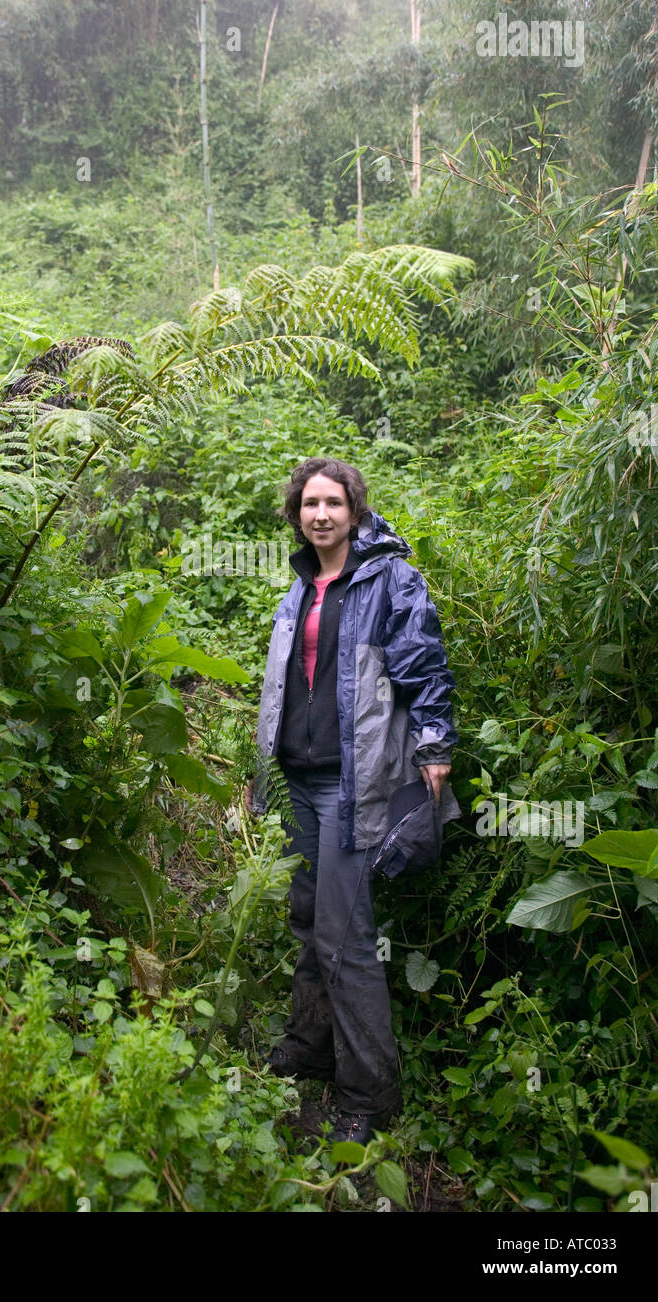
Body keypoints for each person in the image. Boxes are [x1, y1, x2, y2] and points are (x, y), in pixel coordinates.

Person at [246, 457, 461, 1145]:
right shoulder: (301, 586)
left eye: (333, 503)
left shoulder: (389, 578)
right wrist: (259, 770)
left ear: (355, 510)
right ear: (296, 513)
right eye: (310, 503)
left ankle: (369, 1094)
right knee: (308, 918)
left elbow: (424, 664)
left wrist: (434, 745)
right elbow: (288, 687)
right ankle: (309, 1047)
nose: (320, 515)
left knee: (345, 938)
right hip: (301, 781)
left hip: (352, 781)